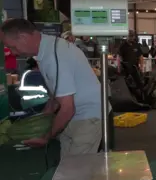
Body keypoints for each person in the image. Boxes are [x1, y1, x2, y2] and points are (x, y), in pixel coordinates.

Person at [1, 18, 103, 156]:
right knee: (67, 169)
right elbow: (58, 93)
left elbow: (67, 108)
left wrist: (45, 137)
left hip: (87, 118)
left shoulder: (54, 57)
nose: (13, 53)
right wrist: (45, 116)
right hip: (77, 117)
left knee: (77, 172)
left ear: (23, 37)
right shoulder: (48, 48)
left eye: (12, 46)